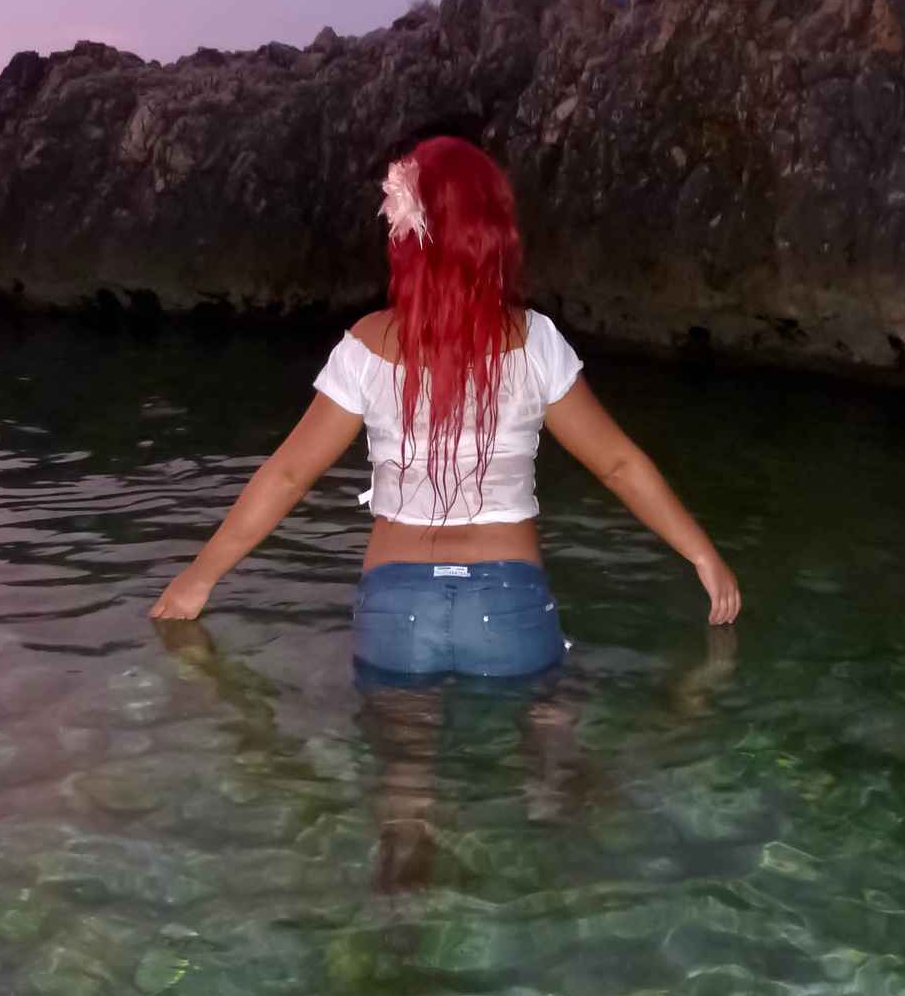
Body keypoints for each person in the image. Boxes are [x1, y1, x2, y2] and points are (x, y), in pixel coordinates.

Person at [149, 137, 741, 676]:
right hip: (507, 603)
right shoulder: (534, 341)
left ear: (405, 233)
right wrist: (702, 555)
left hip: (397, 606)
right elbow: (617, 465)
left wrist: (199, 579)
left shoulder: (366, 344)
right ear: (492, 235)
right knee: (542, 737)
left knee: (400, 760)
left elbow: (288, 474)